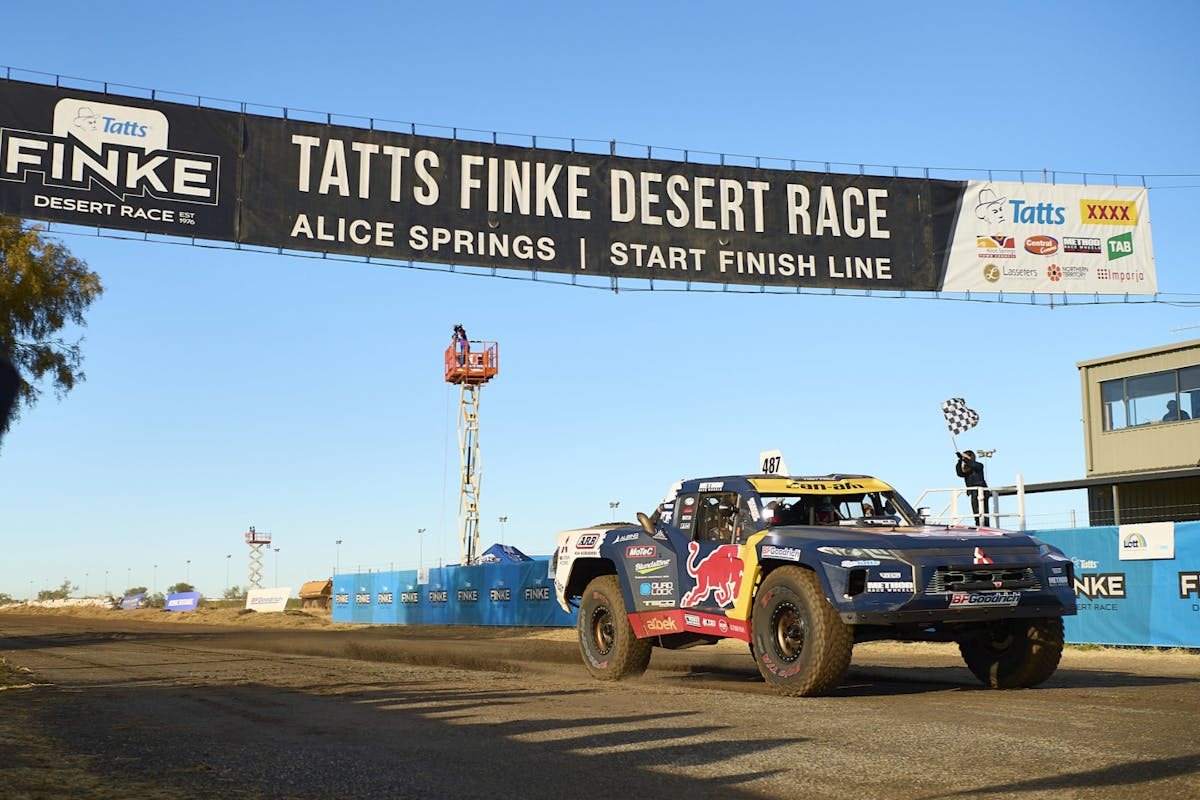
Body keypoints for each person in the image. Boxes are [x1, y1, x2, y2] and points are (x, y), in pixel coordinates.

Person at [955, 450, 989, 526]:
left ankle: (986, 526)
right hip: (973, 492)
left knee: (984, 513)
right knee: (976, 513)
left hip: (982, 492)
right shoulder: (967, 469)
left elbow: (973, 465)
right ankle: (978, 525)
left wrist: (964, 458)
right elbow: (959, 473)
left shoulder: (979, 465)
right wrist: (960, 460)